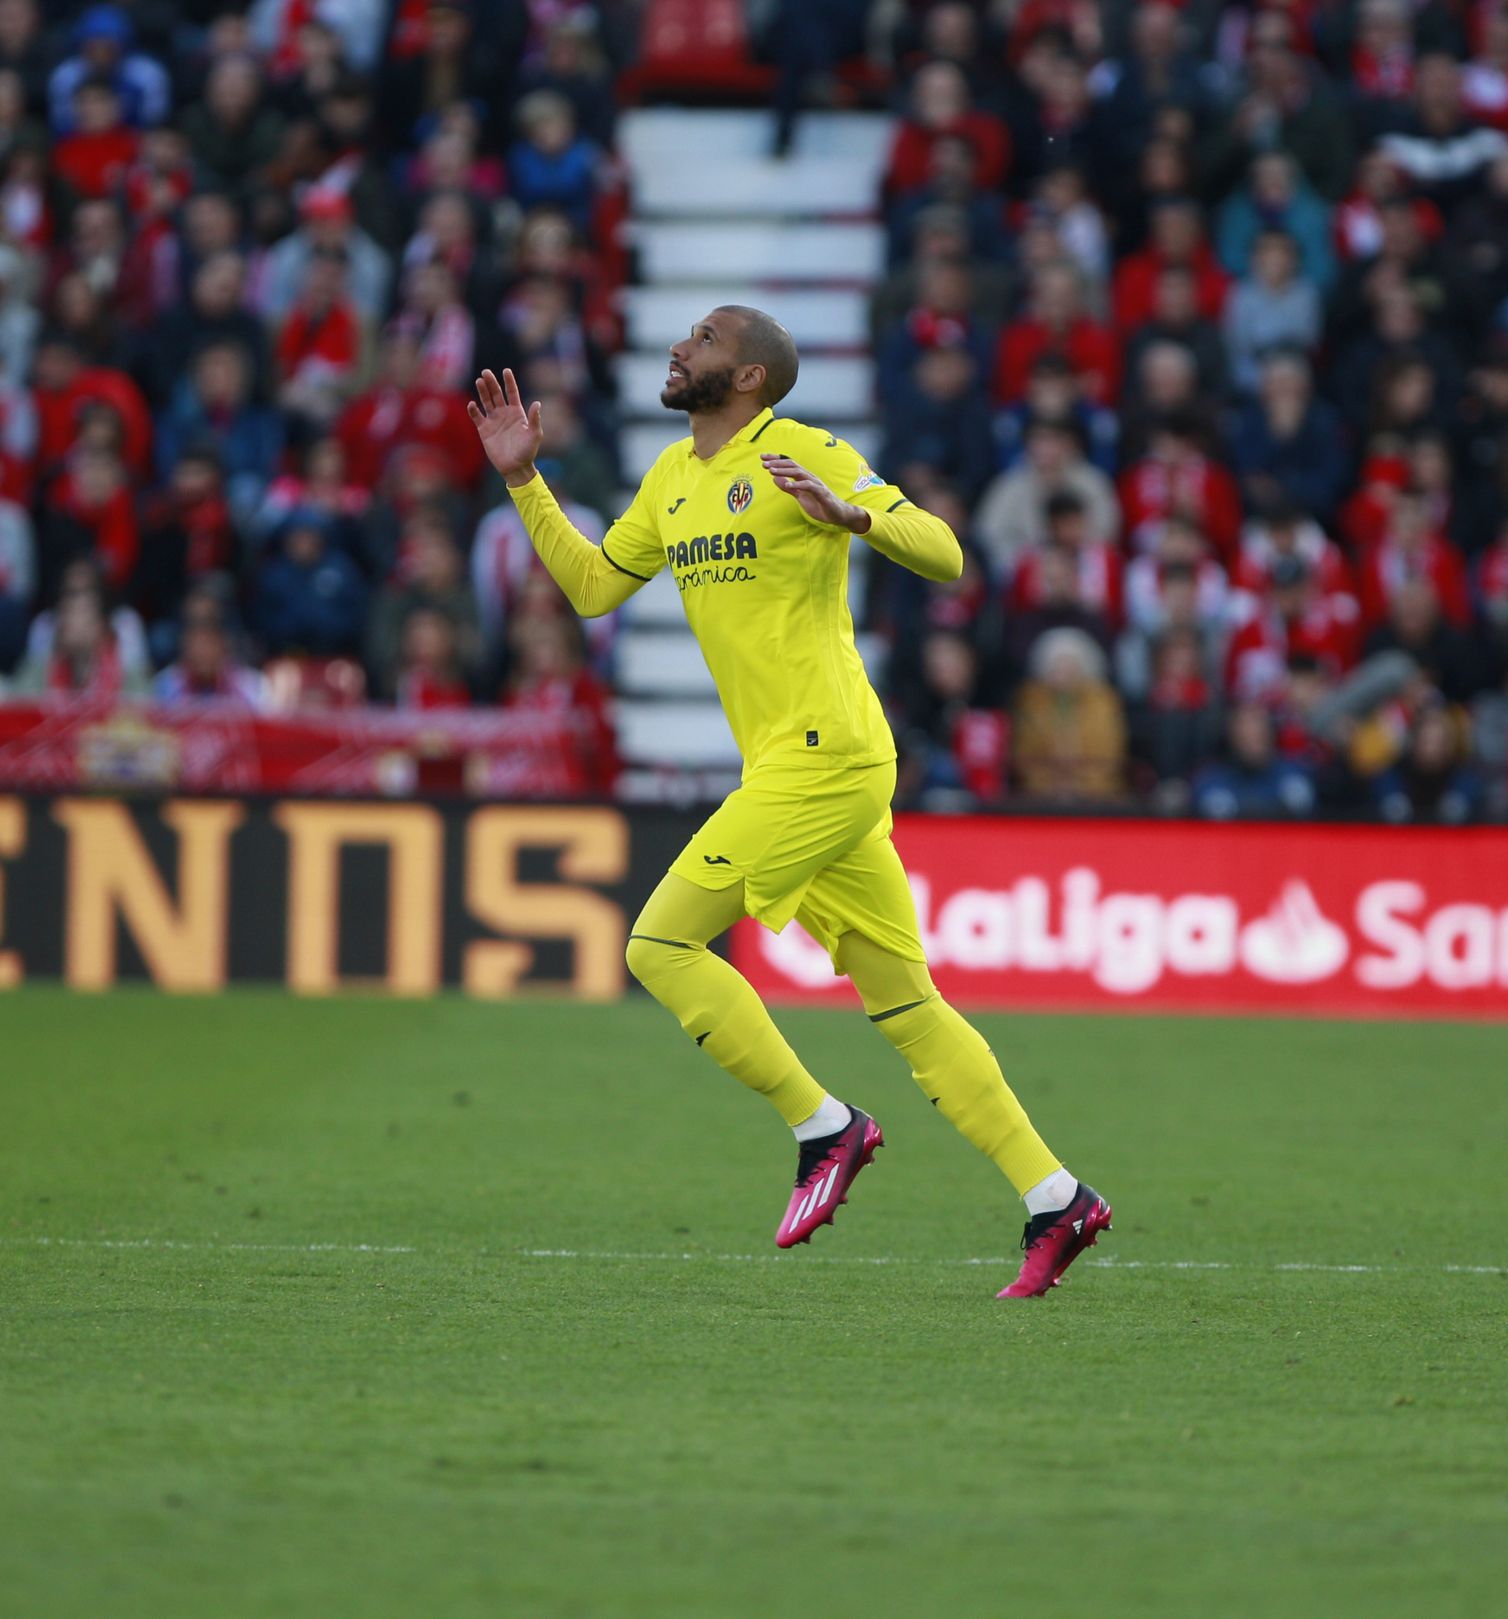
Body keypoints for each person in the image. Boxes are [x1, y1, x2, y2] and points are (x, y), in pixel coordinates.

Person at [468, 306, 1110, 1299]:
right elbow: (595, 588)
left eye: (708, 340)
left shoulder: (801, 451)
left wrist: (857, 517)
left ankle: (825, 1126)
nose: (682, 347)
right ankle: (1054, 1193)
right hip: (800, 766)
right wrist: (523, 481)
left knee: (658, 945)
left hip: (826, 755)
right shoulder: (671, 479)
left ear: (752, 377)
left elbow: (942, 551)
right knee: (907, 1005)